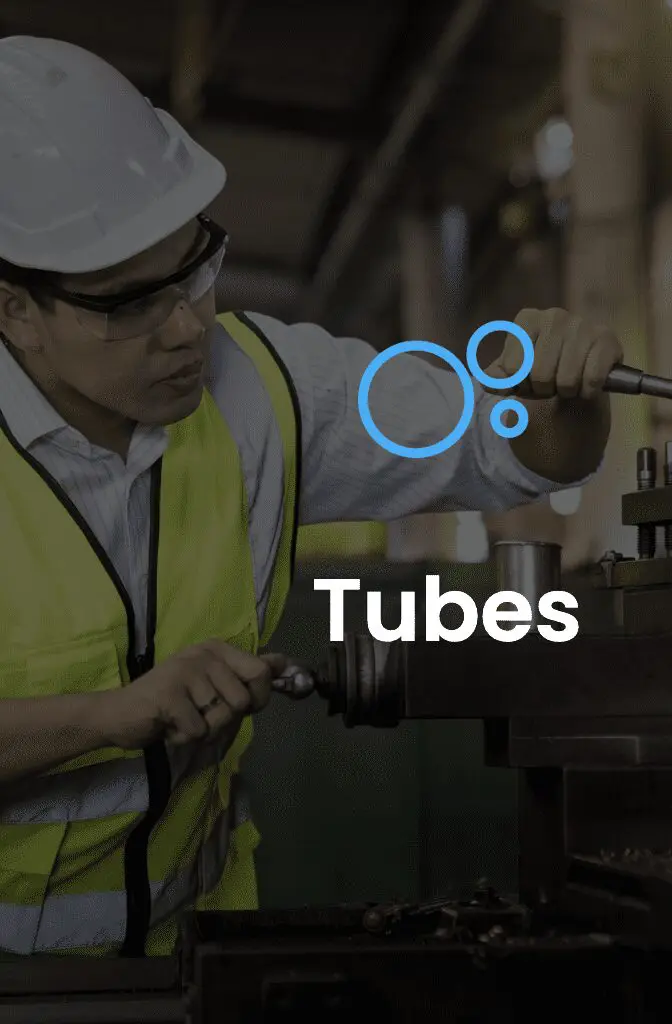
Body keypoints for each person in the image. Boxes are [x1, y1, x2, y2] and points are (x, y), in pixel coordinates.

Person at [0, 35, 623, 958]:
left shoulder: (266, 392)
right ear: (15, 308)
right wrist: (109, 716)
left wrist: (564, 395)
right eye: (129, 302)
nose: (186, 326)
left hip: (193, 964)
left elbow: (514, 446)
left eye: (196, 265)